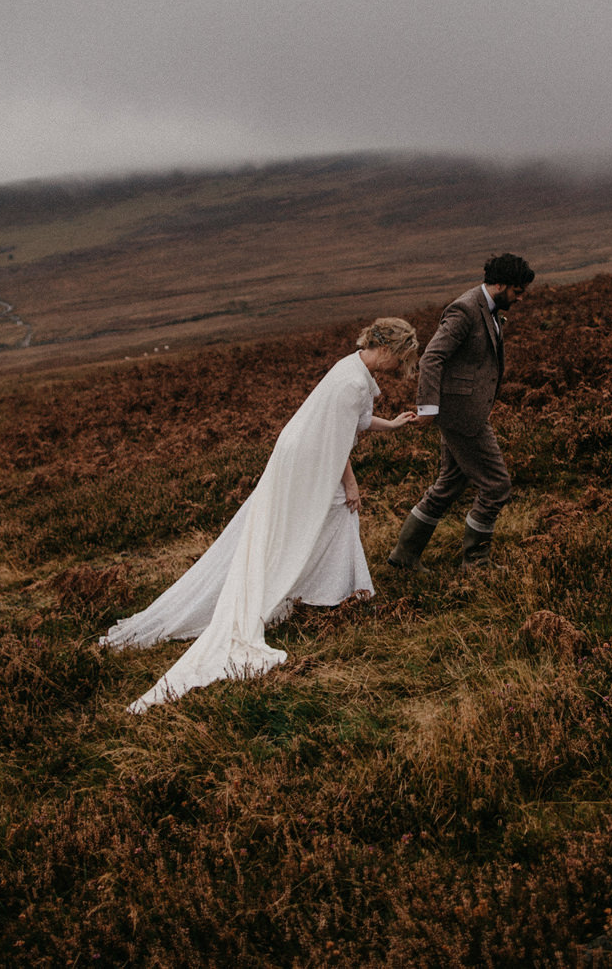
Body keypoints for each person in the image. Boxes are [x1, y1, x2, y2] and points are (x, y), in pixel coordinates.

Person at [102, 318, 420, 713]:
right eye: (401, 358)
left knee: (321, 516)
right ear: (387, 350)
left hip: (301, 452)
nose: (399, 367)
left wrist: (390, 424)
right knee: (338, 507)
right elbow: (337, 443)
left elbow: (350, 424)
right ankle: (328, 591)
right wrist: (351, 485)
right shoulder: (353, 382)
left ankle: (331, 590)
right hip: (307, 458)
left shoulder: (351, 366)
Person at [389, 252, 534, 571]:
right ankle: (477, 564)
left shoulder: (490, 309)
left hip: (466, 413)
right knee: (497, 487)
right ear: (499, 284)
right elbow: (431, 358)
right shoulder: (465, 309)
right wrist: (427, 409)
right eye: (517, 291)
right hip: (461, 418)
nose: (521, 298)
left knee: (449, 484)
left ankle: (404, 556)